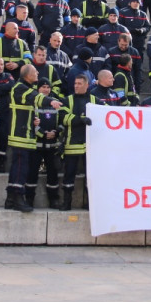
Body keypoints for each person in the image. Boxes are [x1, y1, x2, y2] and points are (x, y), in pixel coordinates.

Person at [6, 65, 63, 212]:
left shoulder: (24, 87)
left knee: (18, 167)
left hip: (25, 135)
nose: (38, 73)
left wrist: (33, 119)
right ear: (27, 75)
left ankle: (11, 199)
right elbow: (35, 98)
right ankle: (18, 198)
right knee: (20, 168)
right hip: (20, 136)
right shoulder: (19, 88)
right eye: (35, 72)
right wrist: (51, 101)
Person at [58, 74, 98, 209]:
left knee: (90, 177)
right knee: (68, 176)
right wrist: (80, 119)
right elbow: (63, 118)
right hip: (71, 144)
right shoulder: (67, 100)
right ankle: (66, 202)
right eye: (75, 83)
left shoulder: (95, 100)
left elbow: (105, 116)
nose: (76, 86)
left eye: (80, 84)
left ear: (87, 85)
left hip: (90, 147)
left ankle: (89, 204)